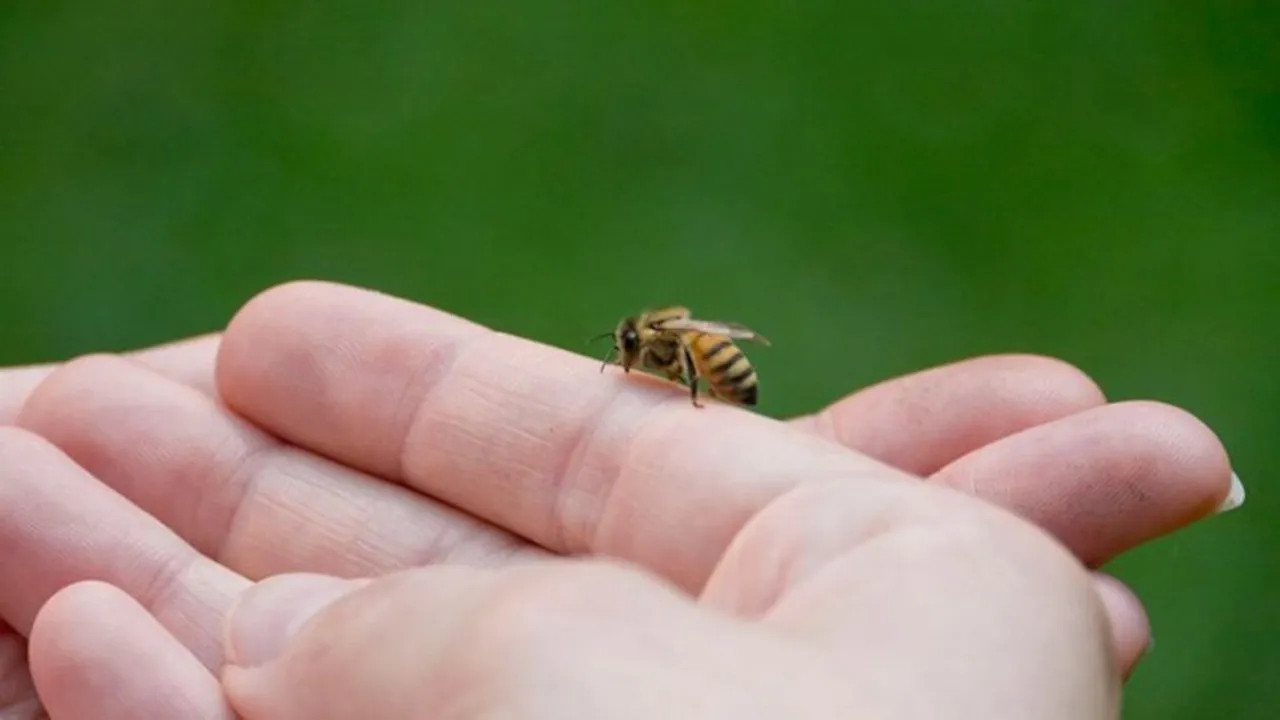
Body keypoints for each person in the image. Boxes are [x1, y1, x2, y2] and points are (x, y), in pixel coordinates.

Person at [0, 281, 1243, 719]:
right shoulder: (655, 357)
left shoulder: (670, 361)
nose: (636, 357)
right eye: (649, 353)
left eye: (640, 351)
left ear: (654, 350)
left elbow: (700, 362)